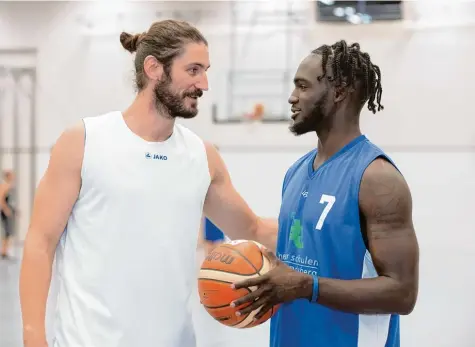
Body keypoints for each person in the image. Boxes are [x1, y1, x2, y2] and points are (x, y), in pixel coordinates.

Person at [19, 19, 277, 347]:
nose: (205, 84)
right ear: (154, 68)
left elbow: (252, 229)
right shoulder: (83, 142)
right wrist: (32, 336)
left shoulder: (202, 156)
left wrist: (322, 233)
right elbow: (40, 242)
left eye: (206, 71)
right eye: (194, 70)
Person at [231, 40, 420, 347]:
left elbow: (403, 293)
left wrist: (308, 286)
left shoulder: (377, 178)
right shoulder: (296, 171)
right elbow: (303, 258)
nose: (292, 98)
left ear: (339, 91)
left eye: (303, 86)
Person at [0, 169, 16, 259]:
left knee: (9, 232)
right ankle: (4, 251)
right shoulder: (4, 186)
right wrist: (6, 210)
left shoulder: (10, 187)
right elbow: (1, 200)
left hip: (9, 211)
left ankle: (5, 251)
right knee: (7, 231)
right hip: (5, 212)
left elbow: (11, 201)